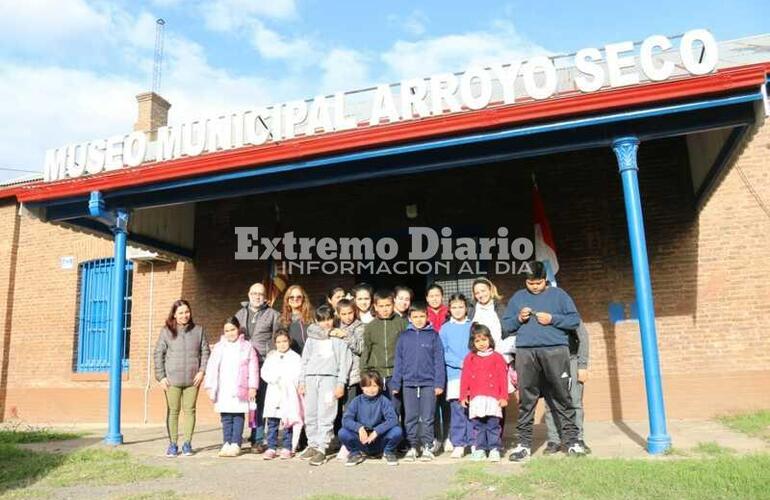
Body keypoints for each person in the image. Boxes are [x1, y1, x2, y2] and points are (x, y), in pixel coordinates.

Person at [502, 261, 586, 461]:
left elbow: (574, 320)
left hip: (555, 350)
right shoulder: (518, 297)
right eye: (530, 283)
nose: (534, 287)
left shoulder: (559, 295)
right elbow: (506, 326)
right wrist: (519, 319)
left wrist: (552, 319)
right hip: (526, 352)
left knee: (562, 396)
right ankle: (523, 445)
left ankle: (572, 441)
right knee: (526, 400)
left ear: (545, 279)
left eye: (538, 283)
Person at [153, 299, 210, 457]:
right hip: (172, 380)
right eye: (180, 313)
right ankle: (173, 444)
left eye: (187, 312)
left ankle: (187, 444)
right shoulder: (166, 331)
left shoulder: (198, 331)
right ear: (174, 315)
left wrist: (202, 371)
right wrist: (161, 376)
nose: (184, 315)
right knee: (173, 411)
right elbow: (158, 354)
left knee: (190, 410)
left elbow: (205, 351)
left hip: (193, 380)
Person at [391, 302, 446, 462]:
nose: (419, 319)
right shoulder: (404, 337)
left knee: (428, 416)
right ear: (410, 318)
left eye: (422, 316)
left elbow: (439, 361)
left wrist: (439, 384)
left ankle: (428, 446)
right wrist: (396, 383)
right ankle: (413, 446)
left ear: (427, 317)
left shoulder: (433, 336)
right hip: (408, 383)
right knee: (410, 417)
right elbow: (399, 361)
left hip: (429, 383)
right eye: (415, 316)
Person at [298, 305, 352, 466]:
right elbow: (304, 360)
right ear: (316, 321)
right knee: (310, 413)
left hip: (329, 380)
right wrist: (302, 381)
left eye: (329, 319)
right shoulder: (312, 339)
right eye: (322, 320)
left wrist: (341, 383)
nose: (326, 323)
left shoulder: (339, 338)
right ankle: (312, 444)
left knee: (326, 414)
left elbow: (344, 363)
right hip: (311, 379)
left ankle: (322, 447)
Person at [234, 282, 280, 452]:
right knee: (240, 400)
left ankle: (257, 439)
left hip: (262, 362)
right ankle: (235, 438)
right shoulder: (239, 314)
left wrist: (270, 352)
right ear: (249, 294)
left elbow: (278, 336)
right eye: (254, 293)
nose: (257, 296)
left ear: (265, 296)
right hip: (243, 364)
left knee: (259, 402)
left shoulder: (273, 314)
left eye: (260, 294)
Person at [203, 317, 259, 458]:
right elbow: (212, 367)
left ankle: (236, 443)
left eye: (232, 329)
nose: (230, 333)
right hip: (224, 387)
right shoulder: (219, 347)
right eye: (227, 330)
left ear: (238, 329)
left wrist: (253, 387)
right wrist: (210, 386)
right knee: (226, 416)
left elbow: (253, 368)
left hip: (240, 386)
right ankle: (226, 442)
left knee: (238, 415)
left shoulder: (247, 346)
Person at [460, 324, 508, 462]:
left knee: (493, 425)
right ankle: (480, 449)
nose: (481, 343)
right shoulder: (470, 358)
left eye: (484, 340)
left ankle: (494, 449)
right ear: (473, 342)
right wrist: (463, 395)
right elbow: (465, 378)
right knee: (478, 425)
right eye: (477, 340)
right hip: (476, 399)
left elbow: (502, 378)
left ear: (490, 340)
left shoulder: (497, 357)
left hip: (493, 399)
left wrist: (503, 396)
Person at [543, 321, 591, 454]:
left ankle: (578, 438)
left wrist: (582, 365)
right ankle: (554, 440)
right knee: (550, 403)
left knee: (575, 402)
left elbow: (583, 338)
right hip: (549, 362)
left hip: (571, 360)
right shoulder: (539, 314)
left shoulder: (570, 313)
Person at [326, 298, 366, 460]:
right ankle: (337, 439)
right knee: (335, 412)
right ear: (338, 314)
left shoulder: (359, 327)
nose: (348, 317)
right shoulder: (334, 326)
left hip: (353, 376)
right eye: (344, 314)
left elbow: (360, 348)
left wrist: (345, 335)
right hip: (335, 376)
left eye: (350, 313)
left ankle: (349, 443)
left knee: (350, 412)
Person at [338, 369, 402, 466]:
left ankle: (388, 452)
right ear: (362, 387)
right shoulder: (356, 401)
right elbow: (346, 420)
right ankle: (355, 453)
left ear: (379, 386)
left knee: (397, 431)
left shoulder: (384, 401)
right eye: (367, 386)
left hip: (379, 440)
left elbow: (393, 419)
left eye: (374, 386)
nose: (371, 389)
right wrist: (359, 428)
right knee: (342, 432)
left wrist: (377, 431)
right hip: (362, 440)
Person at [360, 290, 408, 416]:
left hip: (396, 373)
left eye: (388, 305)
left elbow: (407, 349)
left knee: (396, 407)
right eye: (381, 306)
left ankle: (396, 429)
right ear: (375, 307)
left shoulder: (402, 323)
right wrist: (364, 374)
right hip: (377, 374)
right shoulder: (370, 327)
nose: (385, 309)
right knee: (378, 409)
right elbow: (366, 350)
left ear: (393, 305)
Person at [260, 329, 303, 460]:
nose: (282, 344)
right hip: (274, 392)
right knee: (272, 422)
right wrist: (274, 379)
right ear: (275, 343)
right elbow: (264, 372)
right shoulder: (271, 357)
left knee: (287, 421)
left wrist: (290, 382)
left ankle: (287, 447)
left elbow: (299, 373)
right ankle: (271, 447)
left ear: (289, 341)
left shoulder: (295, 357)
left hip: (289, 393)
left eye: (284, 341)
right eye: (279, 342)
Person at [439, 293, 473, 459]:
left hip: (473, 375)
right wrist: (459, 363)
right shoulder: (445, 328)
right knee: (457, 410)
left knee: (472, 409)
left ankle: (474, 443)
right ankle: (458, 443)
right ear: (449, 309)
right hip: (454, 375)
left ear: (466, 308)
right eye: (454, 307)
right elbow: (442, 351)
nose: (458, 310)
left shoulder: (473, 326)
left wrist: (470, 363)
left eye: (461, 307)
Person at [426, 283, 450, 453]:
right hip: (429, 364)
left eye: (437, 295)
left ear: (442, 297)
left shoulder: (449, 313)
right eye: (431, 296)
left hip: (447, 363)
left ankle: (448, 436)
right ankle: (436, 437)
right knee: (432, 404)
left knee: (447, 403)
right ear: (427, 298)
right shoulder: (423, 315)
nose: (434, 299)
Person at [280, 284, 313, 354]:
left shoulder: (312, 317)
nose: (295, 299)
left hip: (311, 355)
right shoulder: (281, 320)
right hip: (292, 357)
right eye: (291, 297)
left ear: (303, 299)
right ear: (287, 300)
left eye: (299, 297)